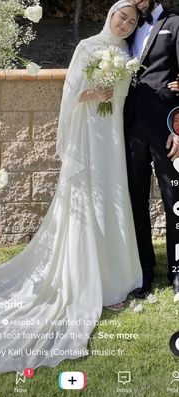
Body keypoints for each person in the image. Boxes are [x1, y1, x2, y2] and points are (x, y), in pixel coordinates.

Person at [0, 0, 142, 374]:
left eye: (131, 20)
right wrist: (91, 94)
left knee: (113, 199)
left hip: (110, 136)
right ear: (111, 15)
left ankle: (115, 278)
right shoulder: (87, 46)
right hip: (87, 134)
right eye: (121, 16)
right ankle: (82, 276)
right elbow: (70, 94)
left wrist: (110, 92)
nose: (126, 23)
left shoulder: (126, 54)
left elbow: (122, 97)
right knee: (88, 199)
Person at [124, 0, 179, 298]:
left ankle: (177, 271)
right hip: (131, 130)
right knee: (136, 202)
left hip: (166, 130)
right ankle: (143, 271)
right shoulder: (129, 27)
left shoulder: (175, 24)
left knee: (175, 201)